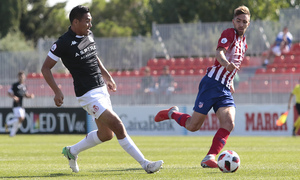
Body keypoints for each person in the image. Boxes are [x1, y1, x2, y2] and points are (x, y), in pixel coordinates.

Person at [41, 5, 163, 173]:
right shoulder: (63, 43)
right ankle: (146, 164)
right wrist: (57, 91)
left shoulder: (88, 35)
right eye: (87, 21)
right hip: (87, 94)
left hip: (101, 89)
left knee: (106, 134)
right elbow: (45, 68)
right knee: (118, 125)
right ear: (75, 22)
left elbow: (94, 56)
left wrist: (107, 76)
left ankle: (71, 151)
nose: (90, 25)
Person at [154, 5, 250, 168]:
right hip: (212, 84)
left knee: (229, 123)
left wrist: (231, 80)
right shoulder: (229, 34)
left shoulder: (244, 43)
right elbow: (219, 53)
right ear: (234, 21)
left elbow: (234, 64)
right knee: (193, 126)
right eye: (238, 21)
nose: (241, 24)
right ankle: (172, 113)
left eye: (244, 22)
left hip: (224, 88)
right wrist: (226, 65)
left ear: (248, 24)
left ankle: (209, 157)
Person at [5, 71, 35, 137]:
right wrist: (14, 97)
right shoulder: (15, 85)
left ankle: (12, 134)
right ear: (18, 77)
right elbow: (9, 93)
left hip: (21, 105)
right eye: (20, 76)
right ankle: (8, 123)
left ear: (24, 77)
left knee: (20, 120)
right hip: (16, 105)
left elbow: (25, 95)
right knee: (20, 118)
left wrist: (30, 96)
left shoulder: (24, 86)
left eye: (22, 76)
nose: (21, 77)